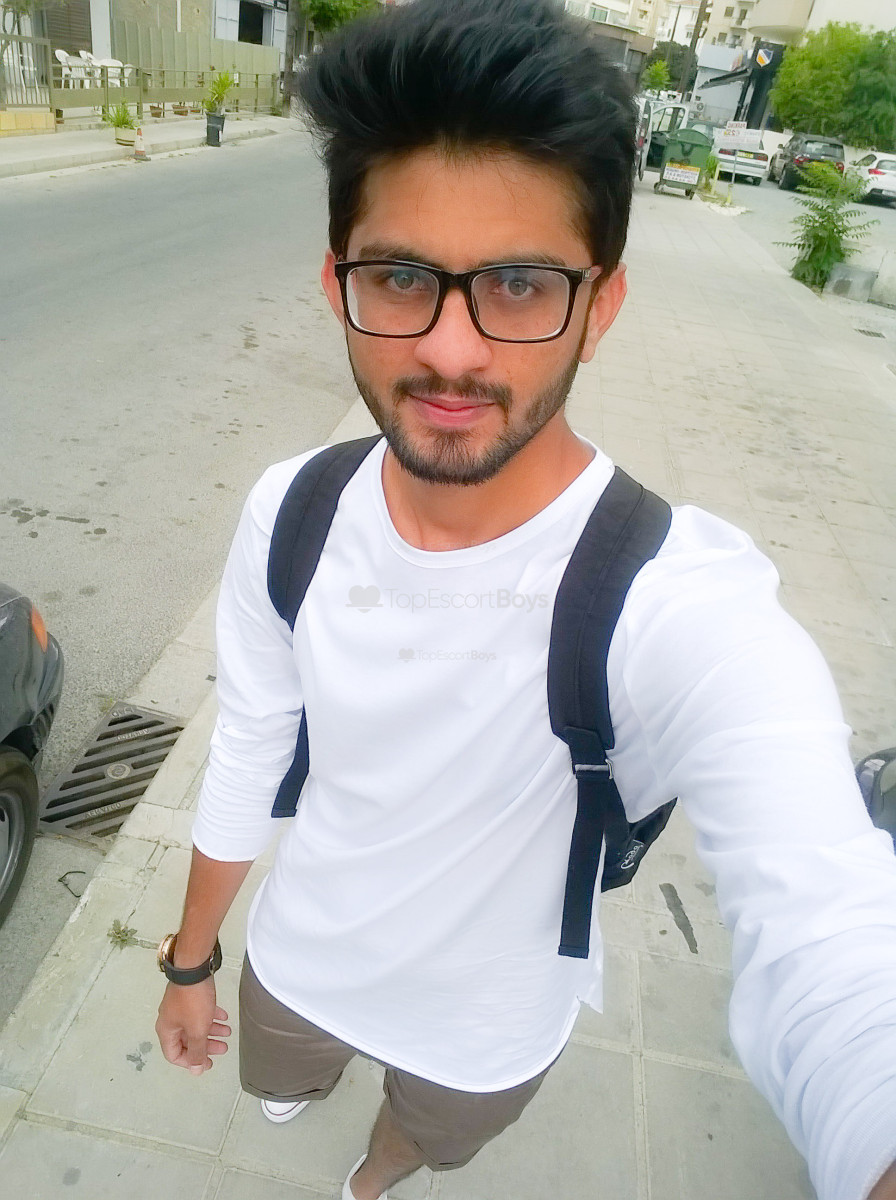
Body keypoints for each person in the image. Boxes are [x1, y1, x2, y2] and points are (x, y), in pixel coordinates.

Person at [155, 2, 896, 1198]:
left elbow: (825, 912)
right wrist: (191, 961)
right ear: (337, 283)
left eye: (516, 284)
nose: (451, 351)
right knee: (277, 1078)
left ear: (599, 307)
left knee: (416, 1144)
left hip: (487, 1022)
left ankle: (372, 1179)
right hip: (300, 958)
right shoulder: (291, 511)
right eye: (401, 276)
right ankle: (300, 1094)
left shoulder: (667, 595)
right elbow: (251, 738)